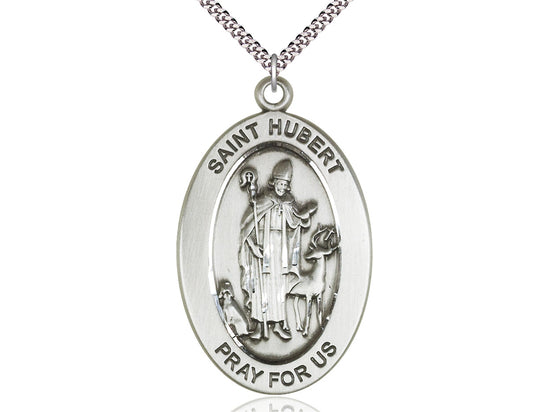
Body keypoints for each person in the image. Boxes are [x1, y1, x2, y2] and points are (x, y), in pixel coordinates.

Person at [239, 159, 317, 340]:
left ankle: (277, 324)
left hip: (280, 252)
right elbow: (246, 228)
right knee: (261, 287)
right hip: (262, 250)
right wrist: (253, 247)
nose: (282, 187)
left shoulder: (288, 203)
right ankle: (259, 326)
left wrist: (305, 215)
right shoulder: (262, 201)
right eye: (280, 183)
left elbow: (296, 221)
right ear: (273, 182)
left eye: (285, 184)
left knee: (278, 288)